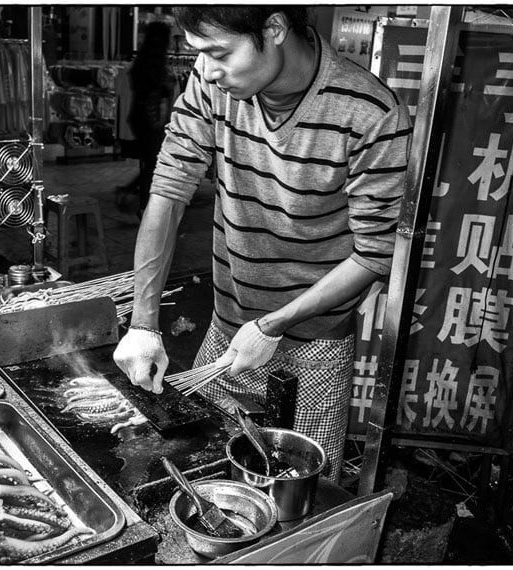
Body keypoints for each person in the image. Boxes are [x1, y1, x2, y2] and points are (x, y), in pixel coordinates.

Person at [113, 7, 411, 483]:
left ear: (274, 28)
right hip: (225, 327)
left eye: (220, 54)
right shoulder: (213, 81)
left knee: (298, 491)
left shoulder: (370, 112)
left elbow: (375, 252)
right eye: (200, 54)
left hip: (314, 342)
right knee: (210, 474)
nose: (207, 70)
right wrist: (143, 323)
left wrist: (274, 324)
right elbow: (169, 189)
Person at [117, 21, 176, 219]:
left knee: (150, 162)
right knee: (152, 163)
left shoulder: (142, 60)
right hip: (151, 119)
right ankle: (143, 206)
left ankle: (133, 194)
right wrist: (169, 84)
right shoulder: (155, 62)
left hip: (139, 117)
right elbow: (160, 90)